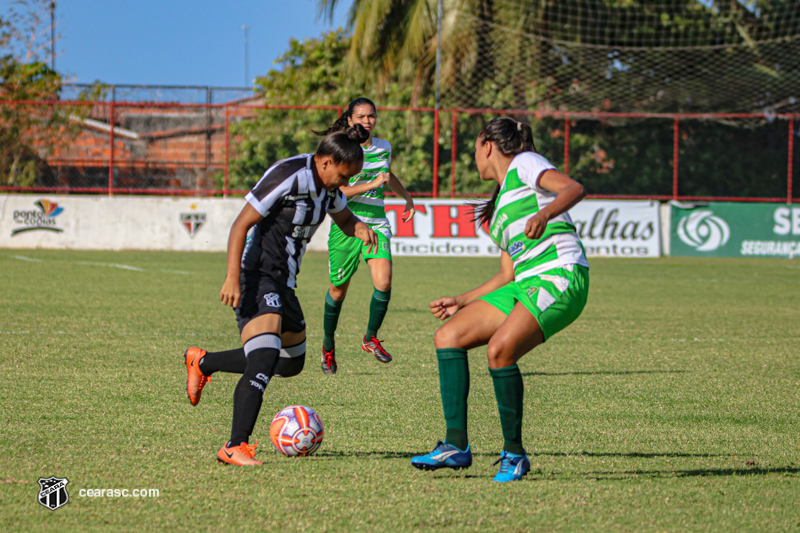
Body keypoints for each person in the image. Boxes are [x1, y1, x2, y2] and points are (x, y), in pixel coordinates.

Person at [183, 124, 378, 466]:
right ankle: (234, 445)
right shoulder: (290, 175)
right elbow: (241, 224)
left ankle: (203, 361)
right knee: (264, 354)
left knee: (290, 363)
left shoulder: (330, 189)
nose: (345, 183)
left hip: (285, 283)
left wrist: (359, 226)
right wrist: (233, 277)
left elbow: (344, 217)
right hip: (256, 275)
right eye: (344, 176)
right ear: (327, 163)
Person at [410, 117, 590, 482]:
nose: (472, 157)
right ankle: (455, 446)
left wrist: (545, 213)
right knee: (448, 336)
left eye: (474, 149)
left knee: (499, 350)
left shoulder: (524, 163)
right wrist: (462, 300)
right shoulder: (498, 206)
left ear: (487, 144)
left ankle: (515, 454)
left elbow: (573, 188)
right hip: (524, 282)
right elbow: (507, 275)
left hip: (561, 273)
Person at [315, 97, 416, 374]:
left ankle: (370, 338)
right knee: (338, 291)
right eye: (361, 117)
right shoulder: (341, 149)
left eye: (371, 116)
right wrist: (370, 184)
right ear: (349, 119)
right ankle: (327, 346)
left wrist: (407, 198)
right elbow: (336, 191)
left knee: (383, 282)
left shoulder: (384, 147)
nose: (367, 121)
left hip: (377, 223)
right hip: (347, 225)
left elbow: (387, 174)